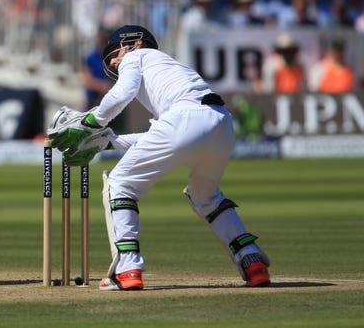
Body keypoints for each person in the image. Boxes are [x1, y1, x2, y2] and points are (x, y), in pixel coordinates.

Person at [47, 25, 270, 291]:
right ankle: (251, 259)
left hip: (186, 119)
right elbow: (160, 136)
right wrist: (109, 141)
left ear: (135, 43)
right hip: (221, 124)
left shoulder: (138, 56)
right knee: (206, 197)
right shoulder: (169, 73)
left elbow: (122, 94)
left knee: (119, 183)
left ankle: (128, 268)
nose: (114, 62)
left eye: (114, 54)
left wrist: (89, 122)